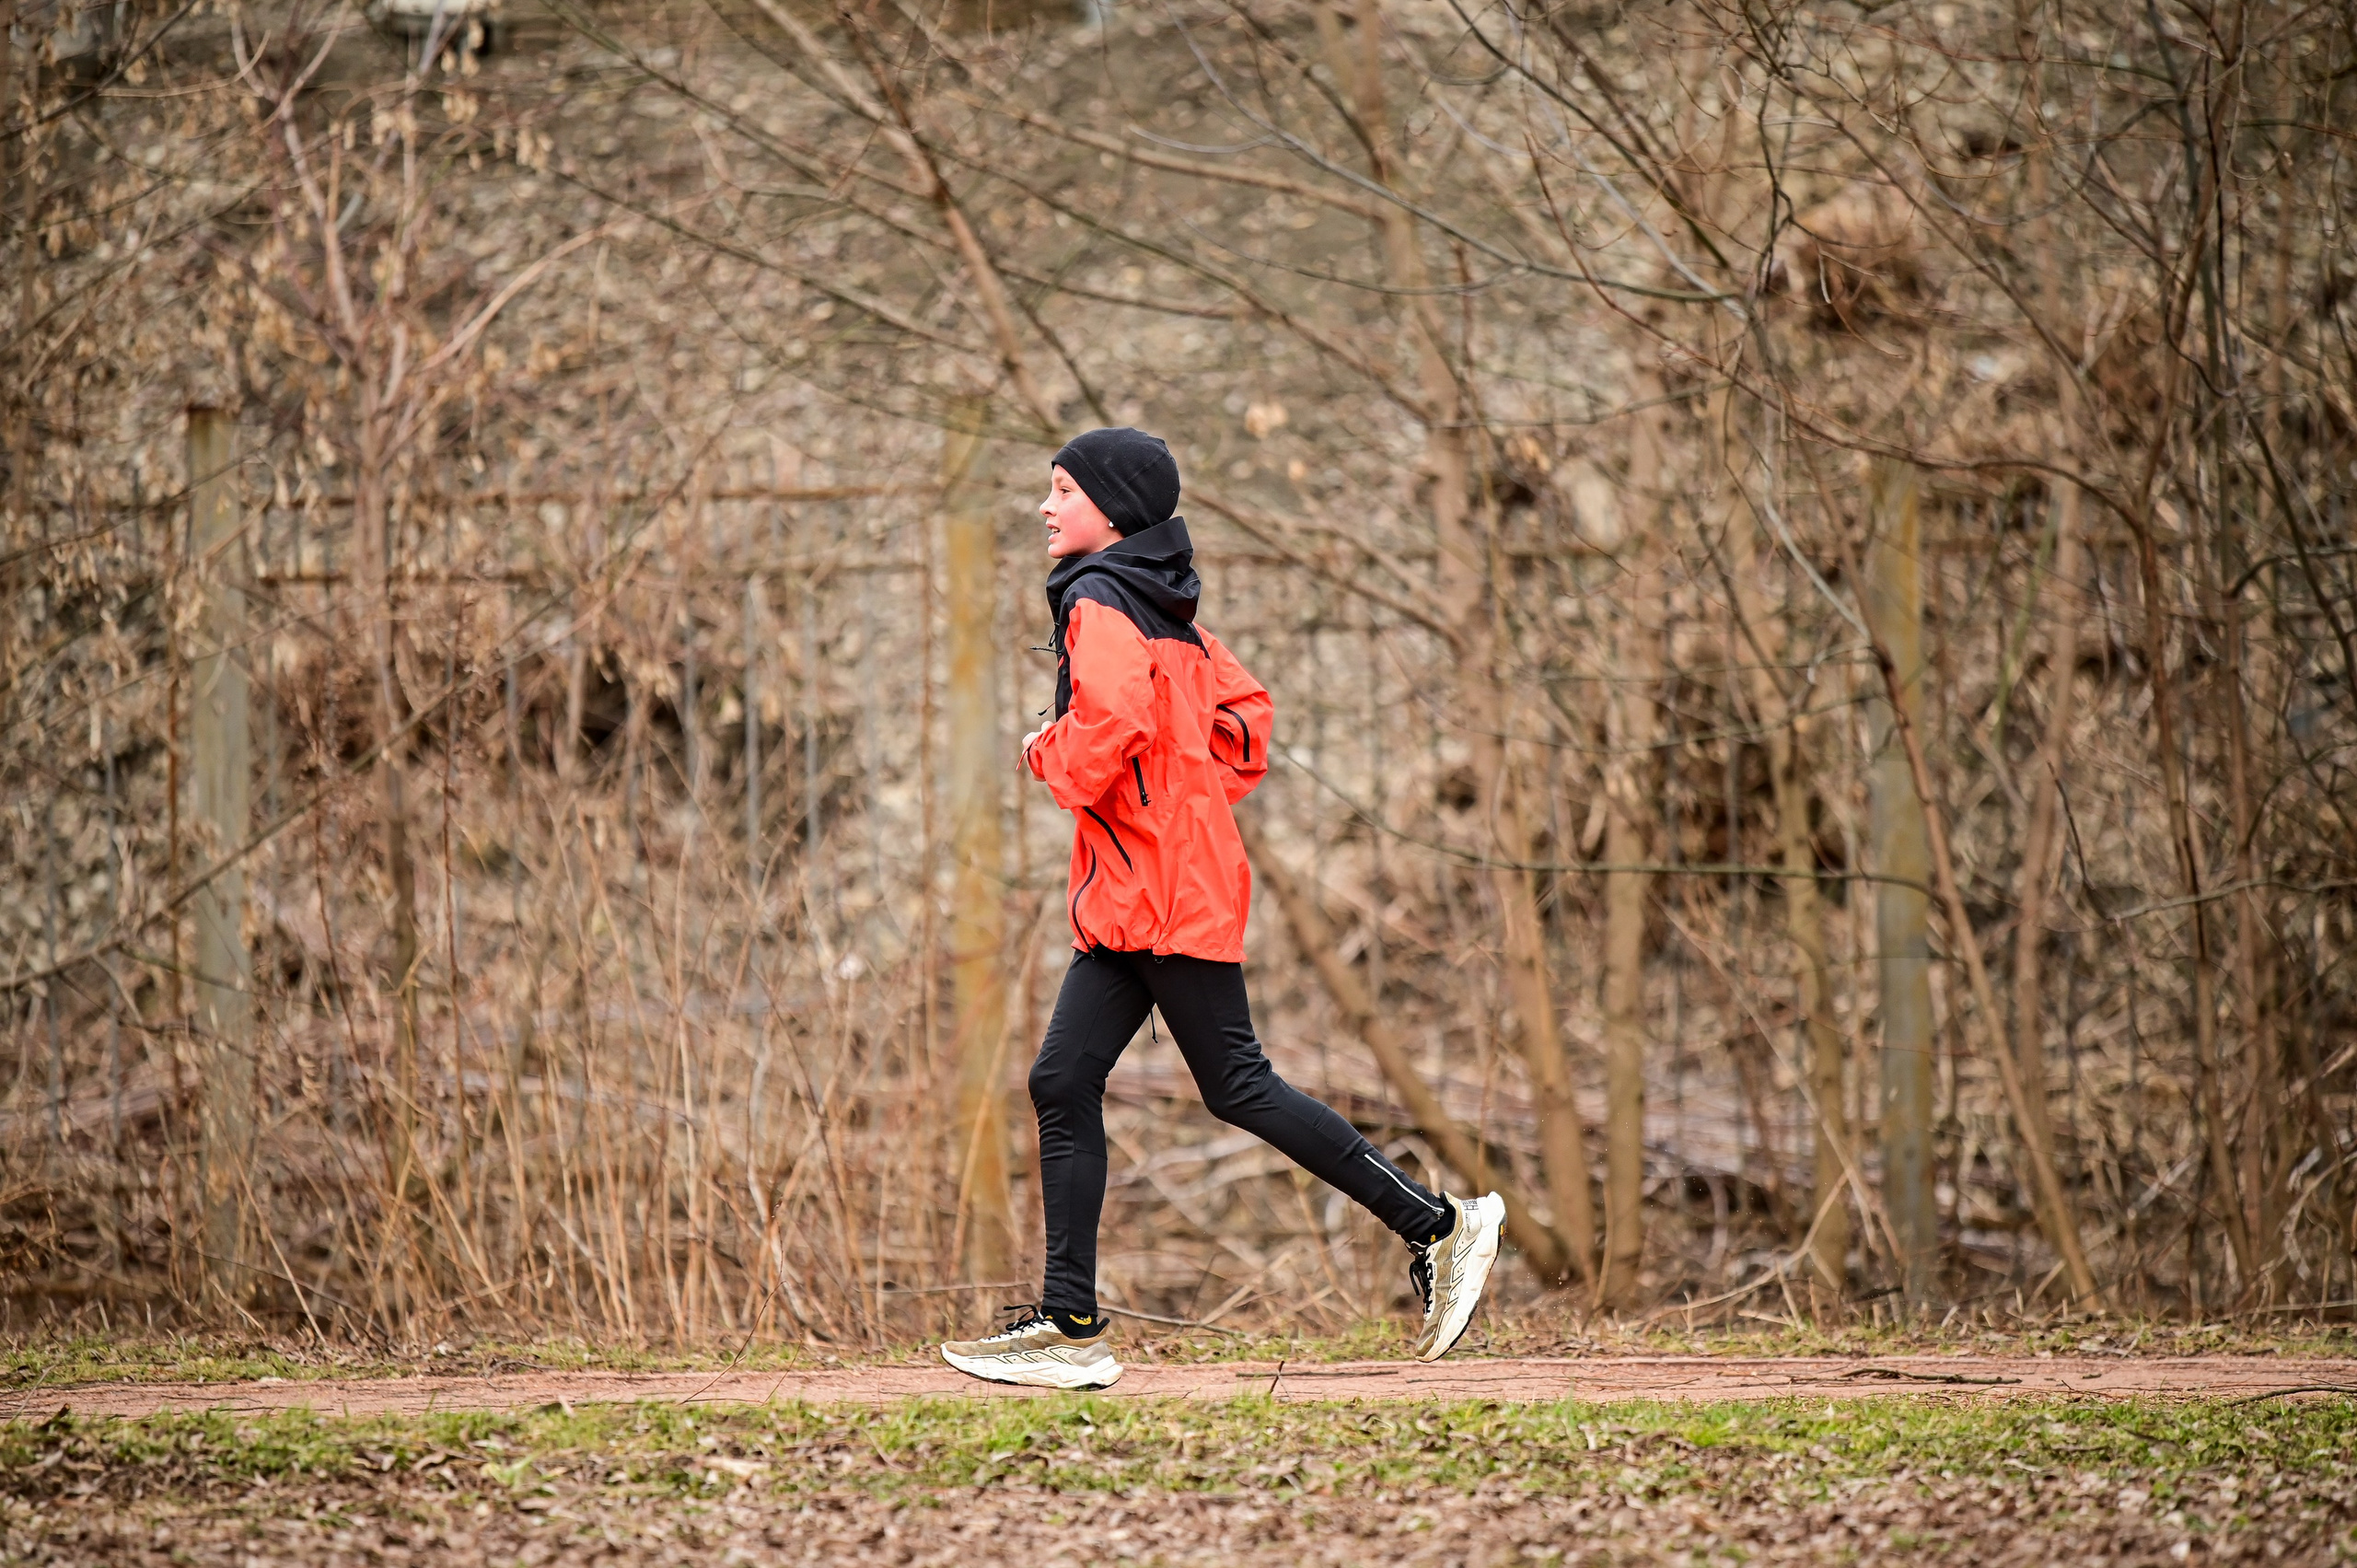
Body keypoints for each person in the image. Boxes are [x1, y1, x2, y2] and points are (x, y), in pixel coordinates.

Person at [939, 426, 1504, 1390]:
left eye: (1063, 489)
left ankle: (1440, 1225)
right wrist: (1178, 790)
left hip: (1157, 891)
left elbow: (1101, 736)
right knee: (1063, 1079)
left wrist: (1044, 750)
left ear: (1112, 507)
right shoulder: (1170, 606)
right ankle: (1068, 1324)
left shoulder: (1099, 597)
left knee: (1236, 1083)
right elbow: (1245, 723)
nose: (1046, 505)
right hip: (1153, 886)